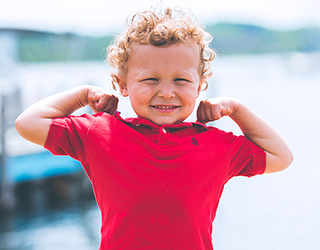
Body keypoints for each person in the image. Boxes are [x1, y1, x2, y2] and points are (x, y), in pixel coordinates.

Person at [15, 7, 293, 250]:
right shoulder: (100, 132)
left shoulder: (216, 144)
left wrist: (236, 109)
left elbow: (282, 157)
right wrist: (82, 95)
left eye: (181, 80)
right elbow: (27, 124)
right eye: (151, 79)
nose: (167, 92)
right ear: (123, 84)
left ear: (200, 86)